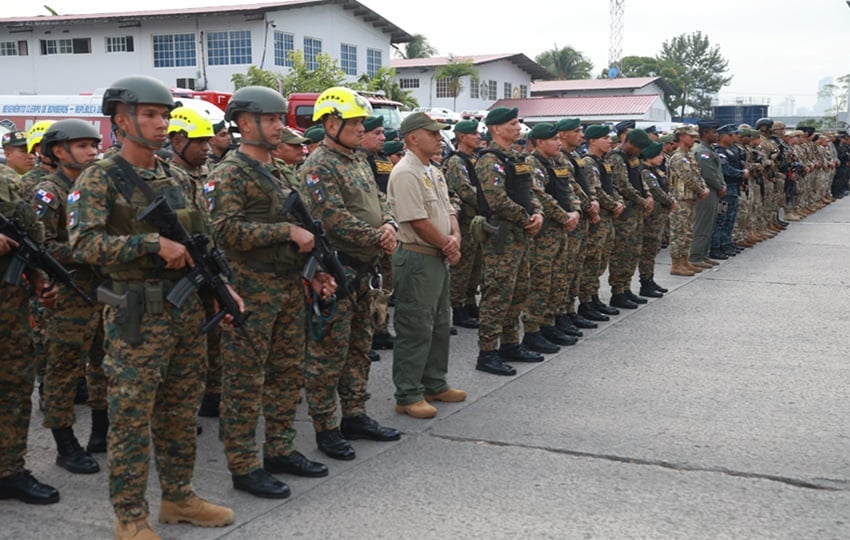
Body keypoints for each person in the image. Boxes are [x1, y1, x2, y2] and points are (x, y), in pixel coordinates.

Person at [69, 74, 237, 539]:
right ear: (121, 121)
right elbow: (82, 245)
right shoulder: (99, 177)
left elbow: (203, 242)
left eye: (164, 115)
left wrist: (223, 286)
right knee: (130, 418)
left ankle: (178, 497)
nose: (161, 123)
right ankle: (130, 516)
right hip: (135, 315)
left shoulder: (177, 176)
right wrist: (149, 245)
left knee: (180, 411)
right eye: (150, 115)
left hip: (184, 313)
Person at [210, 86, 337, 498]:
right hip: (250, 287)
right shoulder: (228, 174)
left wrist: (315, 272)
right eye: (271, 119)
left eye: (281, 118)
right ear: (245, 124)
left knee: (287, 374)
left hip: (287, 285)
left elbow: (307, 232)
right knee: (245, 381)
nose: (280, 126)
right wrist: (284, 231)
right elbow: (224, 231)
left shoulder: (281, 171)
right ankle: (244, 465)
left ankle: (280, 449)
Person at [299, 87, 401, 462]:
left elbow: (379, 198)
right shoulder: (318, 165)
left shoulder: (357, 160)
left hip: (364, 270)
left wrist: (388, 222)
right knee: (329, 354)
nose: (362, 128)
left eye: (361, 121)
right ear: (330, 123)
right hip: (336, 271)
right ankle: (326, 427)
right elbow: (331, 218)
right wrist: (378, 235)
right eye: (355, 122)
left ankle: (355, 415)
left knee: (360, 347)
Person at [33, 119, 107, 476]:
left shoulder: (99, 185)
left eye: (94, 145)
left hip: (105, 290)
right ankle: (65, 443)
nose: (93, 151)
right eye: (82, 146)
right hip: (70, 292)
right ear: (59, 152)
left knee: (105, 364)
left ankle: (101, 431)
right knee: (63, 369)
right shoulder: (50, 191)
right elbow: (40, 245)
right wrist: (87, 251)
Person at [387, 112, 466, 419]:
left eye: (438, 133)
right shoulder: (405, 171)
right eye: (431, 133)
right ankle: (407, 393)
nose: (438, 137)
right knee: (415, 327)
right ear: (412, 138)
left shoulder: (433, 170)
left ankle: (434, 382)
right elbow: (416, 221)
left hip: (437, 256)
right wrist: (447, 243)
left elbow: (448, 210)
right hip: (418, 256)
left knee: (439, 324)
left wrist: (455, 236)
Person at [0, 165, 61, 505]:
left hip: (9, 308)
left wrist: (39, 277)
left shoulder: (8, 181)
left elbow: (29, 235)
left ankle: (9, 470)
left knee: (14, 386)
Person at [474, 107, 544, 376]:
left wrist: (537, 213)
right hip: (501, 236)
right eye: (513, 124)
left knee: (518, 291)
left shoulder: (517, 158)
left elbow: (530, 190)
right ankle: (487, 351)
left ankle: (511, 343)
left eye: (518, 123)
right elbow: (497, 200)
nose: (518, 128)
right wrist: (527, 218)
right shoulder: (489, 160)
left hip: (521, 235)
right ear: (496, 129)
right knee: (497, 293)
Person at [166, 106, 224, 420]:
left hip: (207, 266)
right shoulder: (169, 177)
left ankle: (211, 397)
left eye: (208, 141)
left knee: (213, 339)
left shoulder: (206, 173)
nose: (206, 148)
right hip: (179, 274)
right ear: (177, 142)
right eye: (199, 142)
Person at [521, 122, 579, 354]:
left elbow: (569, 190)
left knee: (558, 278)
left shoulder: (557, 162)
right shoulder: (532, 164)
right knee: (541, 281)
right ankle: (533, 330)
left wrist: (574, 210)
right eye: (553, 139)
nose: (558, 143)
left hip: (561, 230)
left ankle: (549, 323)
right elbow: (539, 194)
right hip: (545, 233)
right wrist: (564, 215)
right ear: (540, 142)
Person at [557, 118, 602, 329]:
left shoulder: (576, 157)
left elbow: (587, 184)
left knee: (577, 265)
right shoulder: (560, 158)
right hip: (574, 218)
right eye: (576, 131)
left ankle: (570, 309)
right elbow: (571, 187)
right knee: (566, 268)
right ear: (563, 134)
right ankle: (562, 312)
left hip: (583, 216)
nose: (581, 135)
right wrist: (588, 205)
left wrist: (593, 200)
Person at [580, 125, 624, 317]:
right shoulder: (588, 163)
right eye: (605, 138)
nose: (609, 141)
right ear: (592, 141)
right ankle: (586, 301)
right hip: (598, 218)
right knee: (592, 260)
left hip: (608, 217)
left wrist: (618, 201)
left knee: (601, 260)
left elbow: (611, 186)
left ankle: (594, 296)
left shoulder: (603, 162)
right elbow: (595, 190)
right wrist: (614, 205)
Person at [442, 119, 483, 329]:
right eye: (473, 133)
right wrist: (488, 201)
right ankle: (457, 308)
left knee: (476, 265)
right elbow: (465, 191)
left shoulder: (474, 159)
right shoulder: (456, 162)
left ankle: (469, 302)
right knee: (462, 267)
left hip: (477, 219)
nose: (478, 137)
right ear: (461, 137)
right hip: (464, 220)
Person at [607, 128, 654, 309]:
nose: (639, 152)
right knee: (622, 253)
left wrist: (648, 195)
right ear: (630, 143)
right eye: (638, 148)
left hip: (636, 211)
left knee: (633, 251)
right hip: (625, 214)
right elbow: (622, 185)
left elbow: (640, 179)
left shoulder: (633, 158)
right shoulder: (616, 158)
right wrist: (642, 200)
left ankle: (626, 288)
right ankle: (617, 291)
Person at [360, 115, 395, 352]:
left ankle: (381, 328)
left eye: (383, 133)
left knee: (385, 285)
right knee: (367, 287)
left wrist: (389, 224)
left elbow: (383, 195)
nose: (383, 138)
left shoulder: (382, 160)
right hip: (366, 235)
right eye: (377, 133)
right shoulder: (358, 162)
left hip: (386, 227)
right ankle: (368, 334)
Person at [667, 125, 709, 276]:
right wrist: (700, 190)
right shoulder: (678, 157)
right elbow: (688, 178)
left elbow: (697, 174)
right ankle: (676, 264)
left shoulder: (689, 155)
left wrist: (703, 188)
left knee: (688, 231)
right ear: (682, 137)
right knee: (679, 232)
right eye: (690, 136)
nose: (693, 139)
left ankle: (685, 261)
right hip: (680, 199)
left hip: (690, 198)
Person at [637, 140, 675, 296]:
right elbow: (656, 190)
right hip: (651, 217)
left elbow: (665, 187)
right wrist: (670, 201)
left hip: (659, 215)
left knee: (653, 249)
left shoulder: (656, 170)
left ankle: (650, 280)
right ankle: (645, 283)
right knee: (648, 249)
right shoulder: (645, 171)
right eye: (658, 154)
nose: (661, 157)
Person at [691, 120, 725, 267]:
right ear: (705, 133)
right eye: (714, 132)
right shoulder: (703, 152)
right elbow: (708, 174)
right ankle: (695, 257)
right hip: (707, 191)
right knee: (702, 225)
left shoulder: (709, 150)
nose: (717, 135)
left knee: (708, 224)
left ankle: (703, 254)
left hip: (713, 191)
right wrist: (720, 186)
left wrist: (721, 185)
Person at [711, 124, 748, 259]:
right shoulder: (718, 151)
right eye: (731, 135)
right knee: (720, 219)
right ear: (723, 136)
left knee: (730, 218)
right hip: (725, 189)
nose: (734, 137)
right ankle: (716, 246)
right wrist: (742, 173)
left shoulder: (733, 150)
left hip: (734, 188)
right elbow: (726, 170)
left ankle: (726, 243)